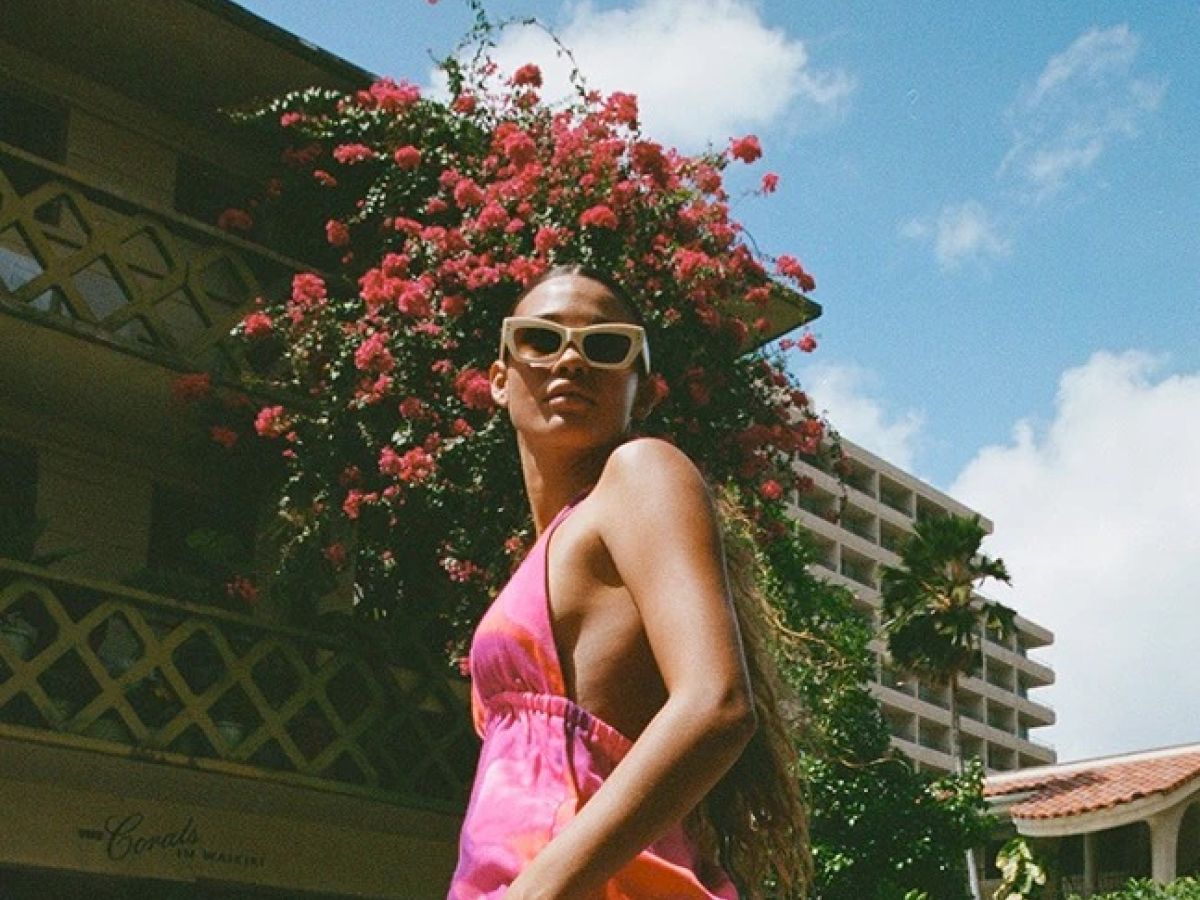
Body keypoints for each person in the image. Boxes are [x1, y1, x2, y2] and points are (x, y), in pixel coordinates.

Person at [448, 265, 808, 900]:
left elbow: (716, 704)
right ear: (499, 380)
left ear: (643, 395)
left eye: (607, 345)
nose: (571, 360)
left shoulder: (641, 472)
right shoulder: (545, 553)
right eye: (540, 338)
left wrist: (535, 893)